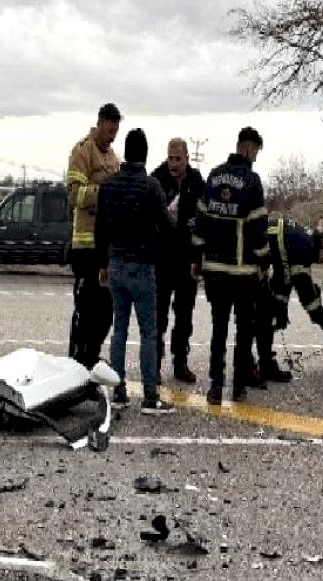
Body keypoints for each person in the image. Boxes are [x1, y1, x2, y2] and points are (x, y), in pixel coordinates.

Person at [96, 129, 175, 415]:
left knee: (119, 329)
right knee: (148, 332)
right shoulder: (151, 186)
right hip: (143, 265)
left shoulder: (108, 185)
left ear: (126, 152)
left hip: (115, 263)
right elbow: (167, 227)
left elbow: (100, 228)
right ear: (145, 153)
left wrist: (102, 264)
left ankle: (118, 392)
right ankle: (150, 397)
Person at [193, 127, 269, 405]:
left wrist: (197, 258)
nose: (255, 157)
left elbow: (200, 220)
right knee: (243, 330)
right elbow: (258, 227)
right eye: (256, 152)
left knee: (219, 329)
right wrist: (264, 261)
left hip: (214, 270)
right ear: (249, 149)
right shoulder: (252, 180)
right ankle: (238, 387)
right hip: (243, 271)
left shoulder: (213, 176)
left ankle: (215, 386)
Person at [66, 103, 122, 369]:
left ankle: (91, 357)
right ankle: (77, 360)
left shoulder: (114, 159)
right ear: (99, 123)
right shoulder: (82, 151)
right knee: (85, 310)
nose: (111, 136)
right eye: (109, 130)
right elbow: (73, 194)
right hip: (85, 246)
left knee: (105, 312)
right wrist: (104, 194)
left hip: (106, 248)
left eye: (115, 132)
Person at [152, 138, 205, 384]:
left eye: (178, 159)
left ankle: (180, 362)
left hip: (187, 261)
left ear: (186, 158)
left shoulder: (197, 182)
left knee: (184, 315)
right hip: (161, 260)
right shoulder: (156, 180)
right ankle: (153, 363)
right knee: (158, 316)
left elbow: (203, 223)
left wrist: (199, 258)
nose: (173, 163)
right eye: (170, 158)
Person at [252, 217, 323, 382]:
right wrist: (321, 319)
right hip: (253, 261)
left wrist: (281, 307)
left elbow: (284, 273)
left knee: (266, 316)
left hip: (260, 258)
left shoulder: (304, 238)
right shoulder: (305, 247)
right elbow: (303, 288)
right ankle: (251, 367)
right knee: (259, 317)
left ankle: (264, 364)